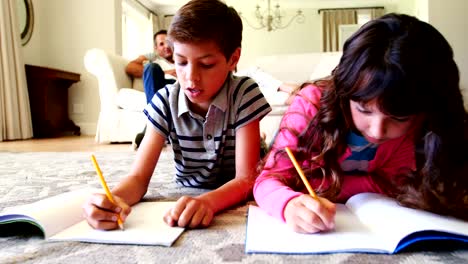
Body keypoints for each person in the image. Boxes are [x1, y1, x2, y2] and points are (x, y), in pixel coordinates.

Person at [254, 13, 468, 234]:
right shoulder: (311, 105)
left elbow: (394, 183)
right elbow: (268, 180)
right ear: (344, 92)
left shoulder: (423, 123)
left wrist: (327, 186)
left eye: (399, 118)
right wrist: (288, 204)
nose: (377, 130)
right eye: (364, 109)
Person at [83, 0, 271, 229]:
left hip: (236, 177)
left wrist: (208, 202)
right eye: (181, 62)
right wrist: (113, 200)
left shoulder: (244, 92)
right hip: (190, 185)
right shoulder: (164, 100)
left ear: (232, 59)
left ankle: (259, 142)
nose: (191, 77)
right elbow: (138, 179)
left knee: (272, 159)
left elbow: (246, 179)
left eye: (207, 64)